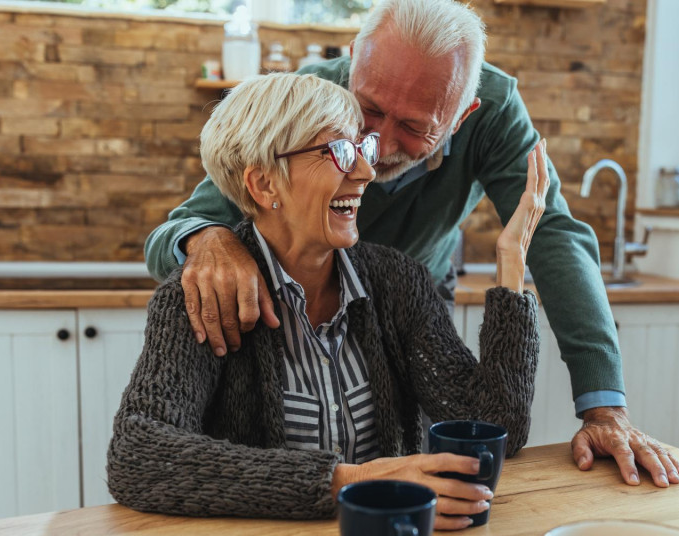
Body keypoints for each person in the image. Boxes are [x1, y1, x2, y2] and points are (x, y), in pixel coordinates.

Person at [143, 0, 679, 487]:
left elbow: (553, 235)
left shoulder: (492, 113)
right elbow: (187, 222)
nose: (372, 152)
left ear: (463, 115)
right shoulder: (306, 105)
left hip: (412, 300)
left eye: (414, 127)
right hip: (279, 310)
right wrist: (209, 238)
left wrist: (603, 406)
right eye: (368, 111)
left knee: (405, 444)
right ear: (353, 59)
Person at [108, 73, 546, 531]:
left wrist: (512, 262)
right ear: (264, 185)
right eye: (337, 152)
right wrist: (349, 480)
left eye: (362, 149)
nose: (365, 172)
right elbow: (138, 454)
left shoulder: (399, 283)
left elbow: (495, 425)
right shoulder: (199, 298)